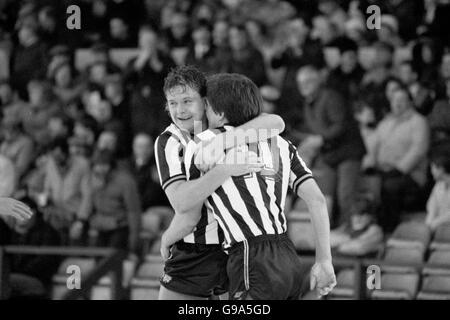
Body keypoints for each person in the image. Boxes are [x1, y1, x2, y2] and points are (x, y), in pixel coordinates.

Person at [162, 73, 336, 300]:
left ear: (218, 112)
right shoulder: (282, 144)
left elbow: (188, 212)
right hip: (288, 255)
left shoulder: (205, 143)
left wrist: (167, 239)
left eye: (206, 105)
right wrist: (324, 260)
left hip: (249, 255)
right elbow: (317, 200)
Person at [155, 65, 285, 300]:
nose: (180, 110)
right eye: (172, 103)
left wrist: (221, 142)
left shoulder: (224, 123)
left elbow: (275, 121)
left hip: (234, 246)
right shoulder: (170, 141)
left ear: (205, 101)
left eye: (187, 101)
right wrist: (225, 169)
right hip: (199, 248)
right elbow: (183, 203)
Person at [425, 153, 450, 232]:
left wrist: (436, 222)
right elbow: (432, 205)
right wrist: (429, 222)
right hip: (439, 225)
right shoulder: (438, 185)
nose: (431, 171)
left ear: (441, 169)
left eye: (433, 168)